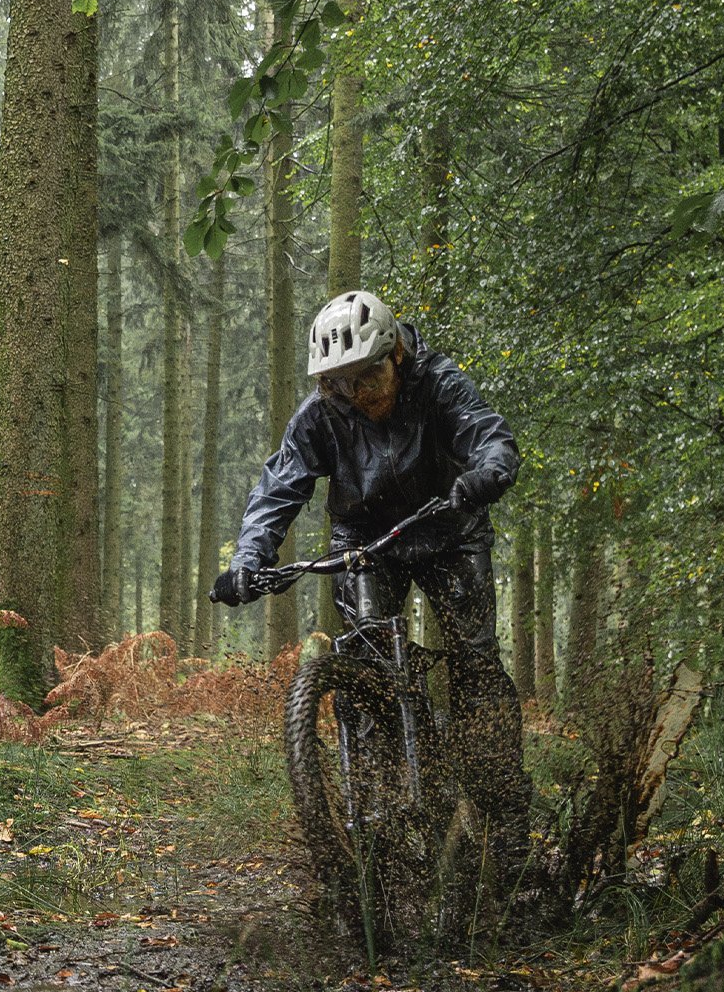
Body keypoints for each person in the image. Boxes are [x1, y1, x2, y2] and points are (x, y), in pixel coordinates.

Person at [210, 289, 530, 854]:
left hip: (449, 530)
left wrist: (489, 470)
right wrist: (248, 560)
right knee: (364, 664)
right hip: (364, 541)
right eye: (339, 383)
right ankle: (378, 802)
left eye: (366, 378)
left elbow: (488, 435)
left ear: (396, 357)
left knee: (475, 665)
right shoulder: (322, 414)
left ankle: (502, 813)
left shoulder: (439, 383)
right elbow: (279, 486)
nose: (356, 395)